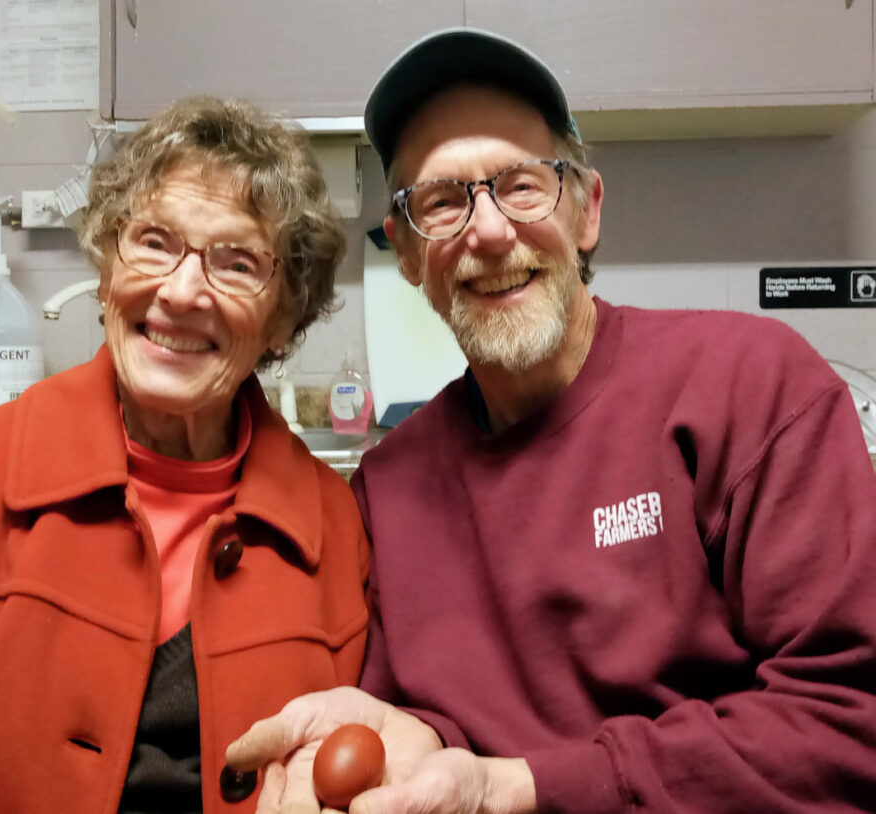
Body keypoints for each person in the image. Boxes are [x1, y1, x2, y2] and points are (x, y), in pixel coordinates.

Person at [225, 28, 876, 814]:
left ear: (587, 210)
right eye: (442, 201)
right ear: (404, 253)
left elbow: (848, 722)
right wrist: (406, 737)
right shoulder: (392, 489)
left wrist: (527, 786)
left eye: (523, 185)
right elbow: (426, 721)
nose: (489, 230)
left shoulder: (748, 386)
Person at [0, 96, 370, 813]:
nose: (182, 291)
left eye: (237, 263)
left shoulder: (337, 524)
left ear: (285, 316)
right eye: (155, 242)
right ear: (104, 266)